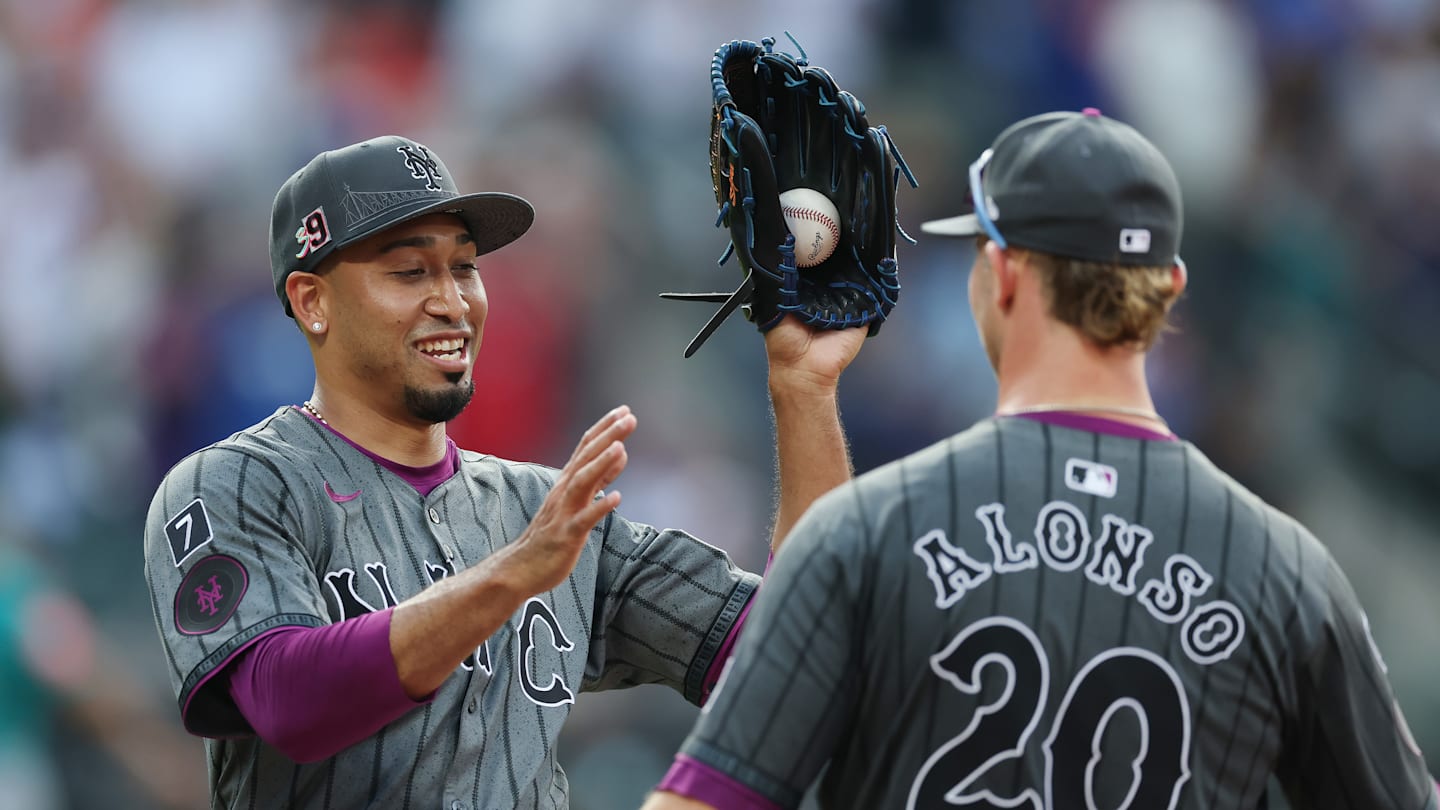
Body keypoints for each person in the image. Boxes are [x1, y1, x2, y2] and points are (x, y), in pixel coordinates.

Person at [641, 109, 1438, 810]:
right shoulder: (1290, 572)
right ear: (1170, 288)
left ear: (1005, 274)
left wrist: (802, 392)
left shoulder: (868, 531)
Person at [141, 134, 868, 808]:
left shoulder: (547, 512)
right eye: (409, 271)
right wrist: (509, 577)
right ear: (313, 302)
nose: (451, 301)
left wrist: (803, 392)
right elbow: (285, 701)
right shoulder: (235, 485)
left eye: (464, 267)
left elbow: (797, 655)